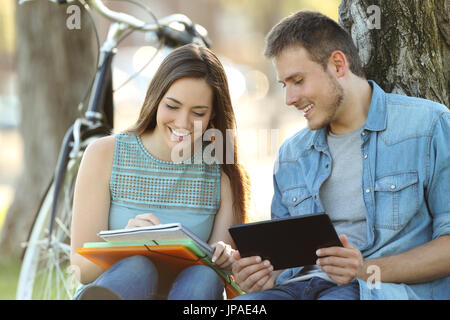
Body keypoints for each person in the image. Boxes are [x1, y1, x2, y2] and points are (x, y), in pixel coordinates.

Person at [232, 10, 450, 300]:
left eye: (298, 81)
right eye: (285, 85)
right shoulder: (292, 154)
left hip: (374, 291)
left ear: (337, 64)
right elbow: (283, 264)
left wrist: (365, 269)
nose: (290, 99)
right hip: (298, 289)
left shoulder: (428, 126)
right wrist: (260, 276)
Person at [70, 44, 250, 300]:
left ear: (213, 117)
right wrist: (125, 244)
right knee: (137, 267)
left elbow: (227, 279)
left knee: (205, 275)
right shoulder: (104, 154)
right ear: (156, 100)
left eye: (198, 113)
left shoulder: (222, 174)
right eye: (172, 106)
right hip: (119, 290)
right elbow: (80, 270)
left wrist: (225, 259)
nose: (182, 123)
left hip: (190, 295)